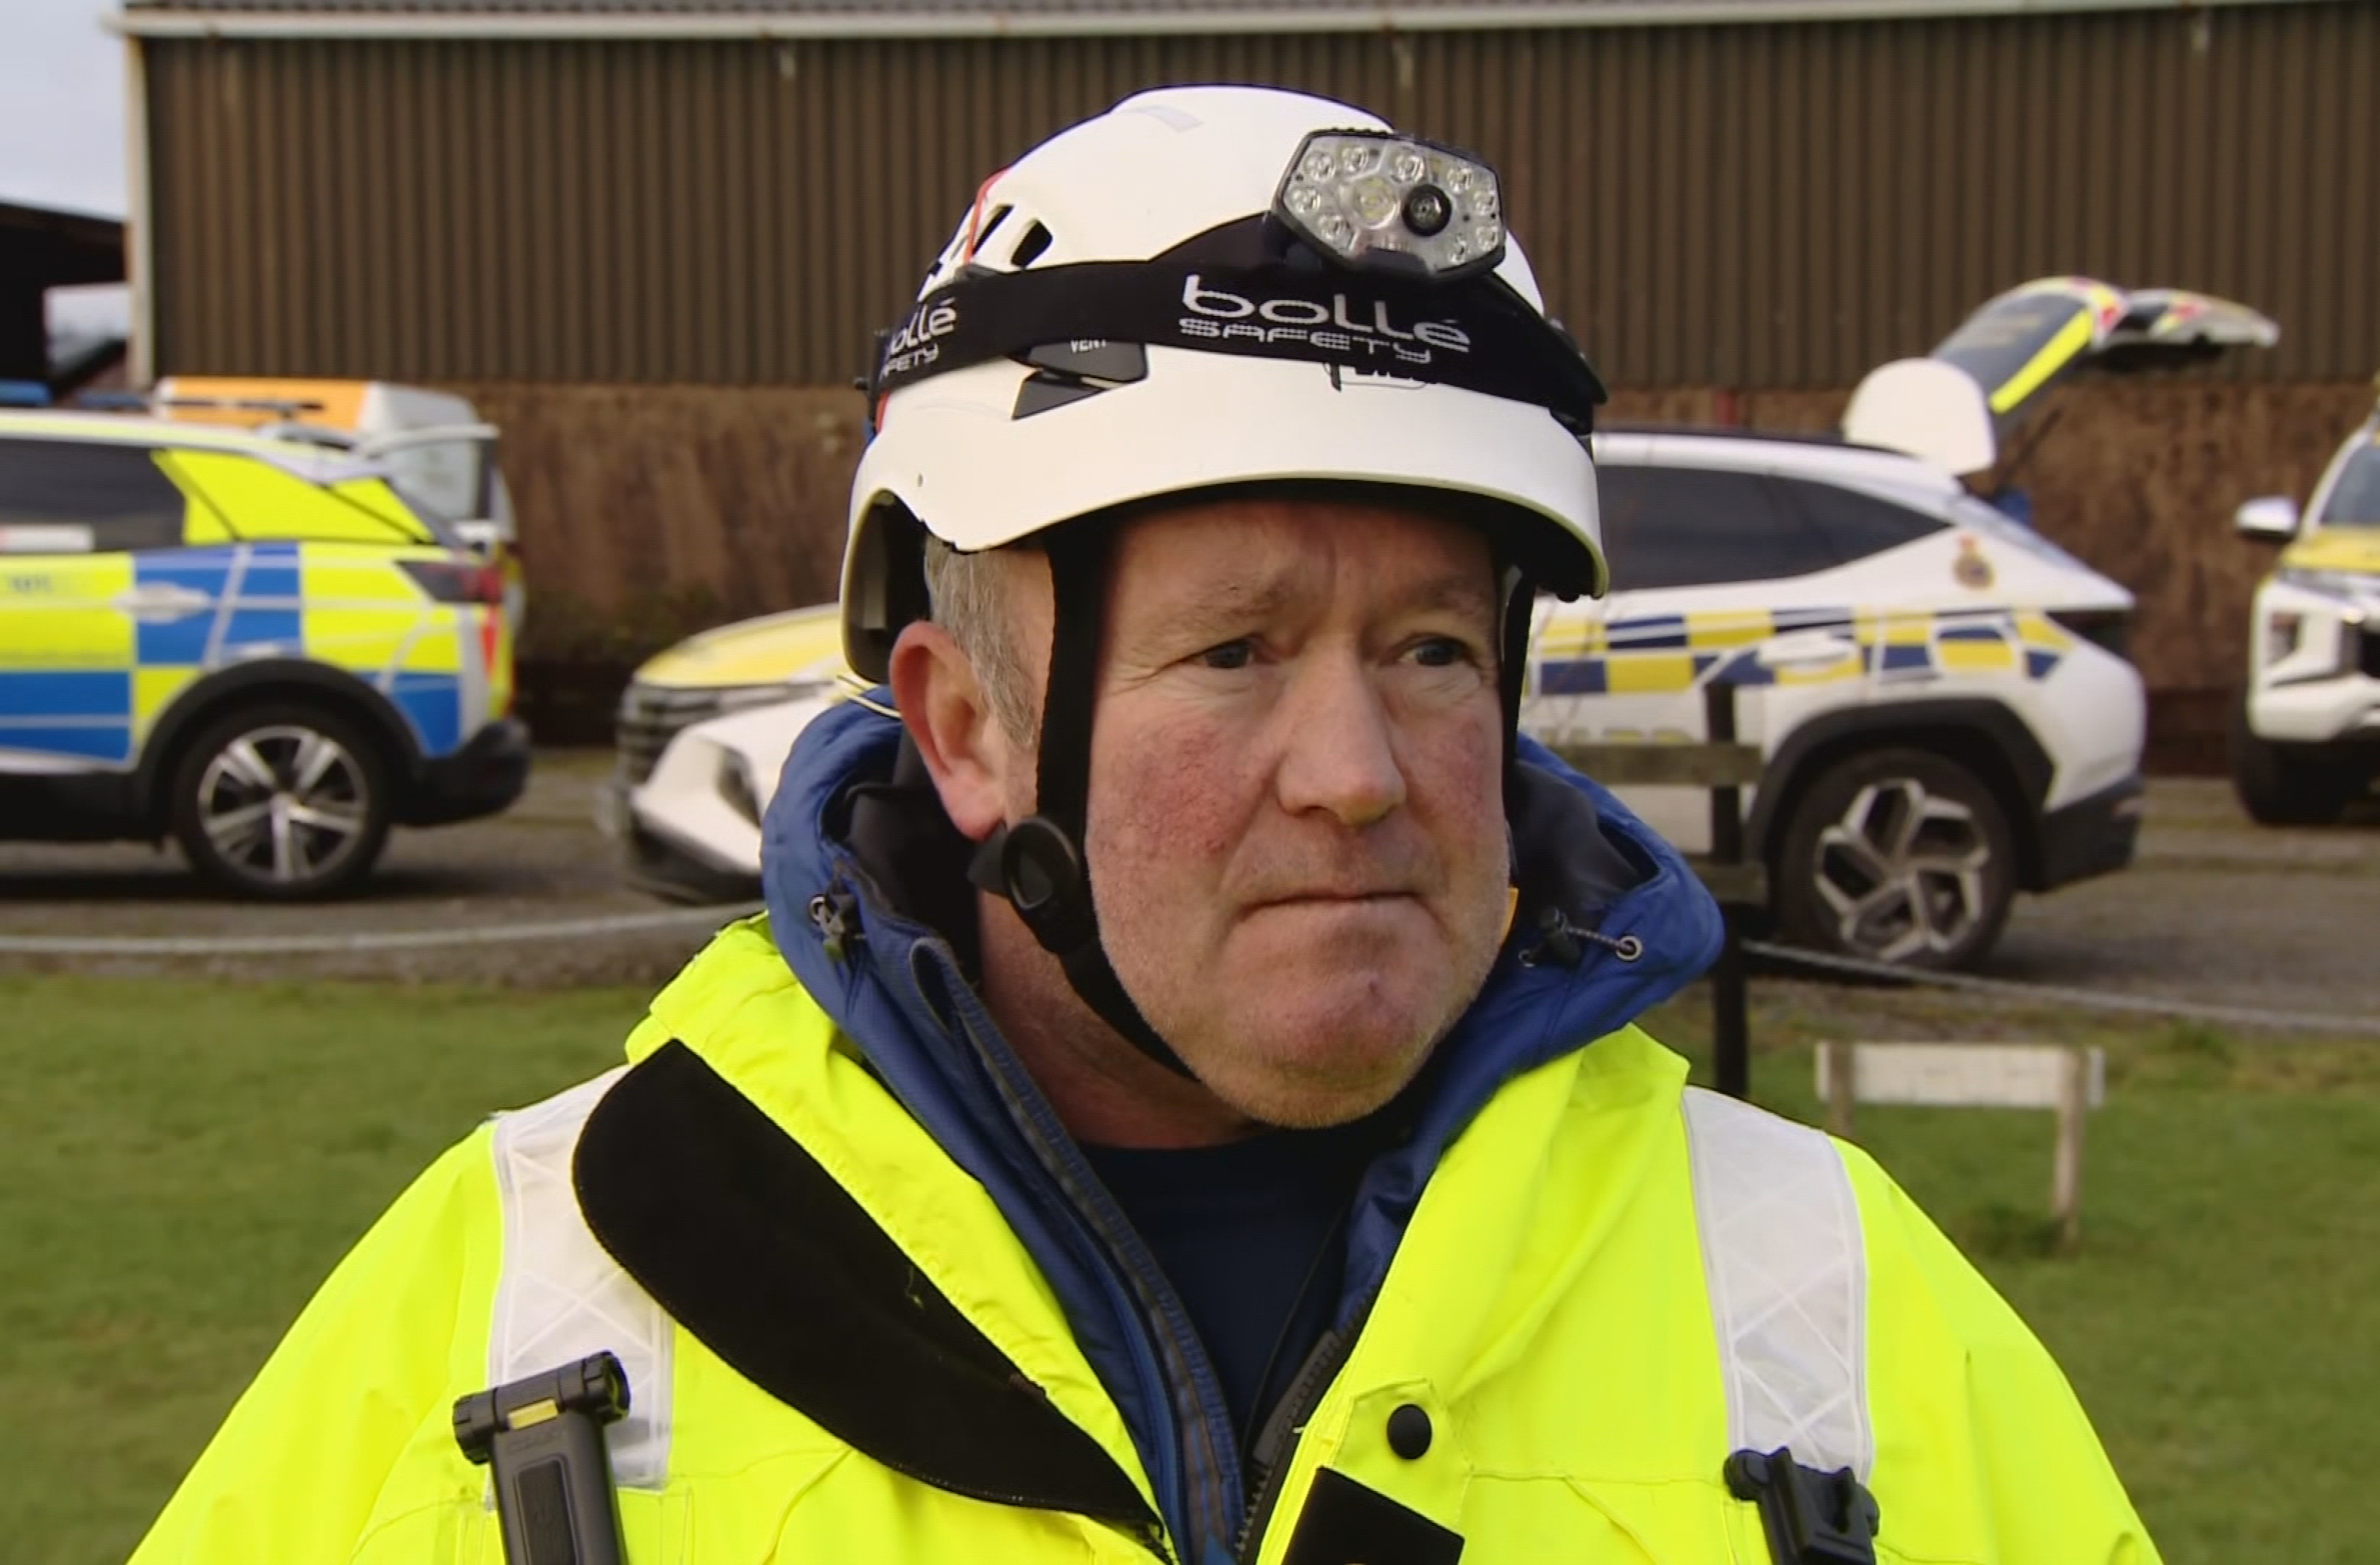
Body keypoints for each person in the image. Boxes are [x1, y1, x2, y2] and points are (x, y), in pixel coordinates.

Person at [128, 85, 2160, 1565]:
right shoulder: (535, 1309)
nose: (1358, 769)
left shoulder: (1830, 1310)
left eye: (1437, 651)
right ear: (968, 730)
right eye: (1236, 652)